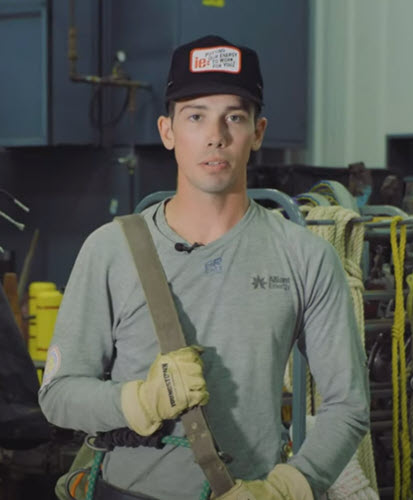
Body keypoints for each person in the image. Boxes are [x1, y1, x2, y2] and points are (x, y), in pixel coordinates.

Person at [39, 34, 369, 500]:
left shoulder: (305, 256)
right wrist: (139, 400)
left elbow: (347, 406)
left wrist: (286, 488)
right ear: (167, 131)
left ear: (258, 132)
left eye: (234, 117)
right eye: (196, 116)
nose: (216, 135)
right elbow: (58, 395)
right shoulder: (111, 249)